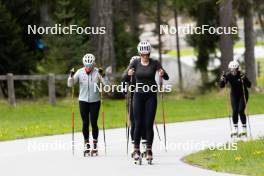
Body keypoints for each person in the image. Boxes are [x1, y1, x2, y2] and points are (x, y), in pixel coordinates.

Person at [127, 41, 169, 164]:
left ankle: (149, 150)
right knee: (138, 123)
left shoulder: (155, 62)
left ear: (149, 53)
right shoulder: (135, 62)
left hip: (151, 96)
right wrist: (129, 73)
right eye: (143, 54)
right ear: (140, 53)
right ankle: (136, 150)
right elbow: (126, 76)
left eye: (146, 54)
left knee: (148, 123)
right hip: (138, 96)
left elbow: (166, 77)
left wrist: (162, 73)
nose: (145, 56)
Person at [67, 53, 110, 156]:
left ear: (93, 64)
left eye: (90, 66)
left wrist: (103, 75)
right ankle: (86, 143)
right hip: (83, 101)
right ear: (84, 64)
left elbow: (107, 85)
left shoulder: (97, 72)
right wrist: (71, 76)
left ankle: (95, 143)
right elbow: (70, 85)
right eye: (86, 66)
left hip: (95, 101)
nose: (88, 68)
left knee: (94, 122)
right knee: (85, 122)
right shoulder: (80, 72)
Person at [121, 56, 147, 158]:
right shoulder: (128, 72)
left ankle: (145, 146)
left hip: (143, 100)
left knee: (144, 122)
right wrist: (124, 90)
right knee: (134, 123)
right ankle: (135, 148)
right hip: (132, 101)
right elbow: (123, 81)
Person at [220, 60, 251, 138]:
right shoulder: (228, 75)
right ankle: (235, 129)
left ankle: (244, 129)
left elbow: (249, 85)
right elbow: (222, 86)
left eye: (235, 69)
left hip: (243, 94)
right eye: (231, 69)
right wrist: (222, 80)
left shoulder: (241, 75)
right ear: (230, 69)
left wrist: (245, 79)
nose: (233, 71)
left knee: (241, 110)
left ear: (237, 69)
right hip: (234, 95)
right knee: (235, 111)